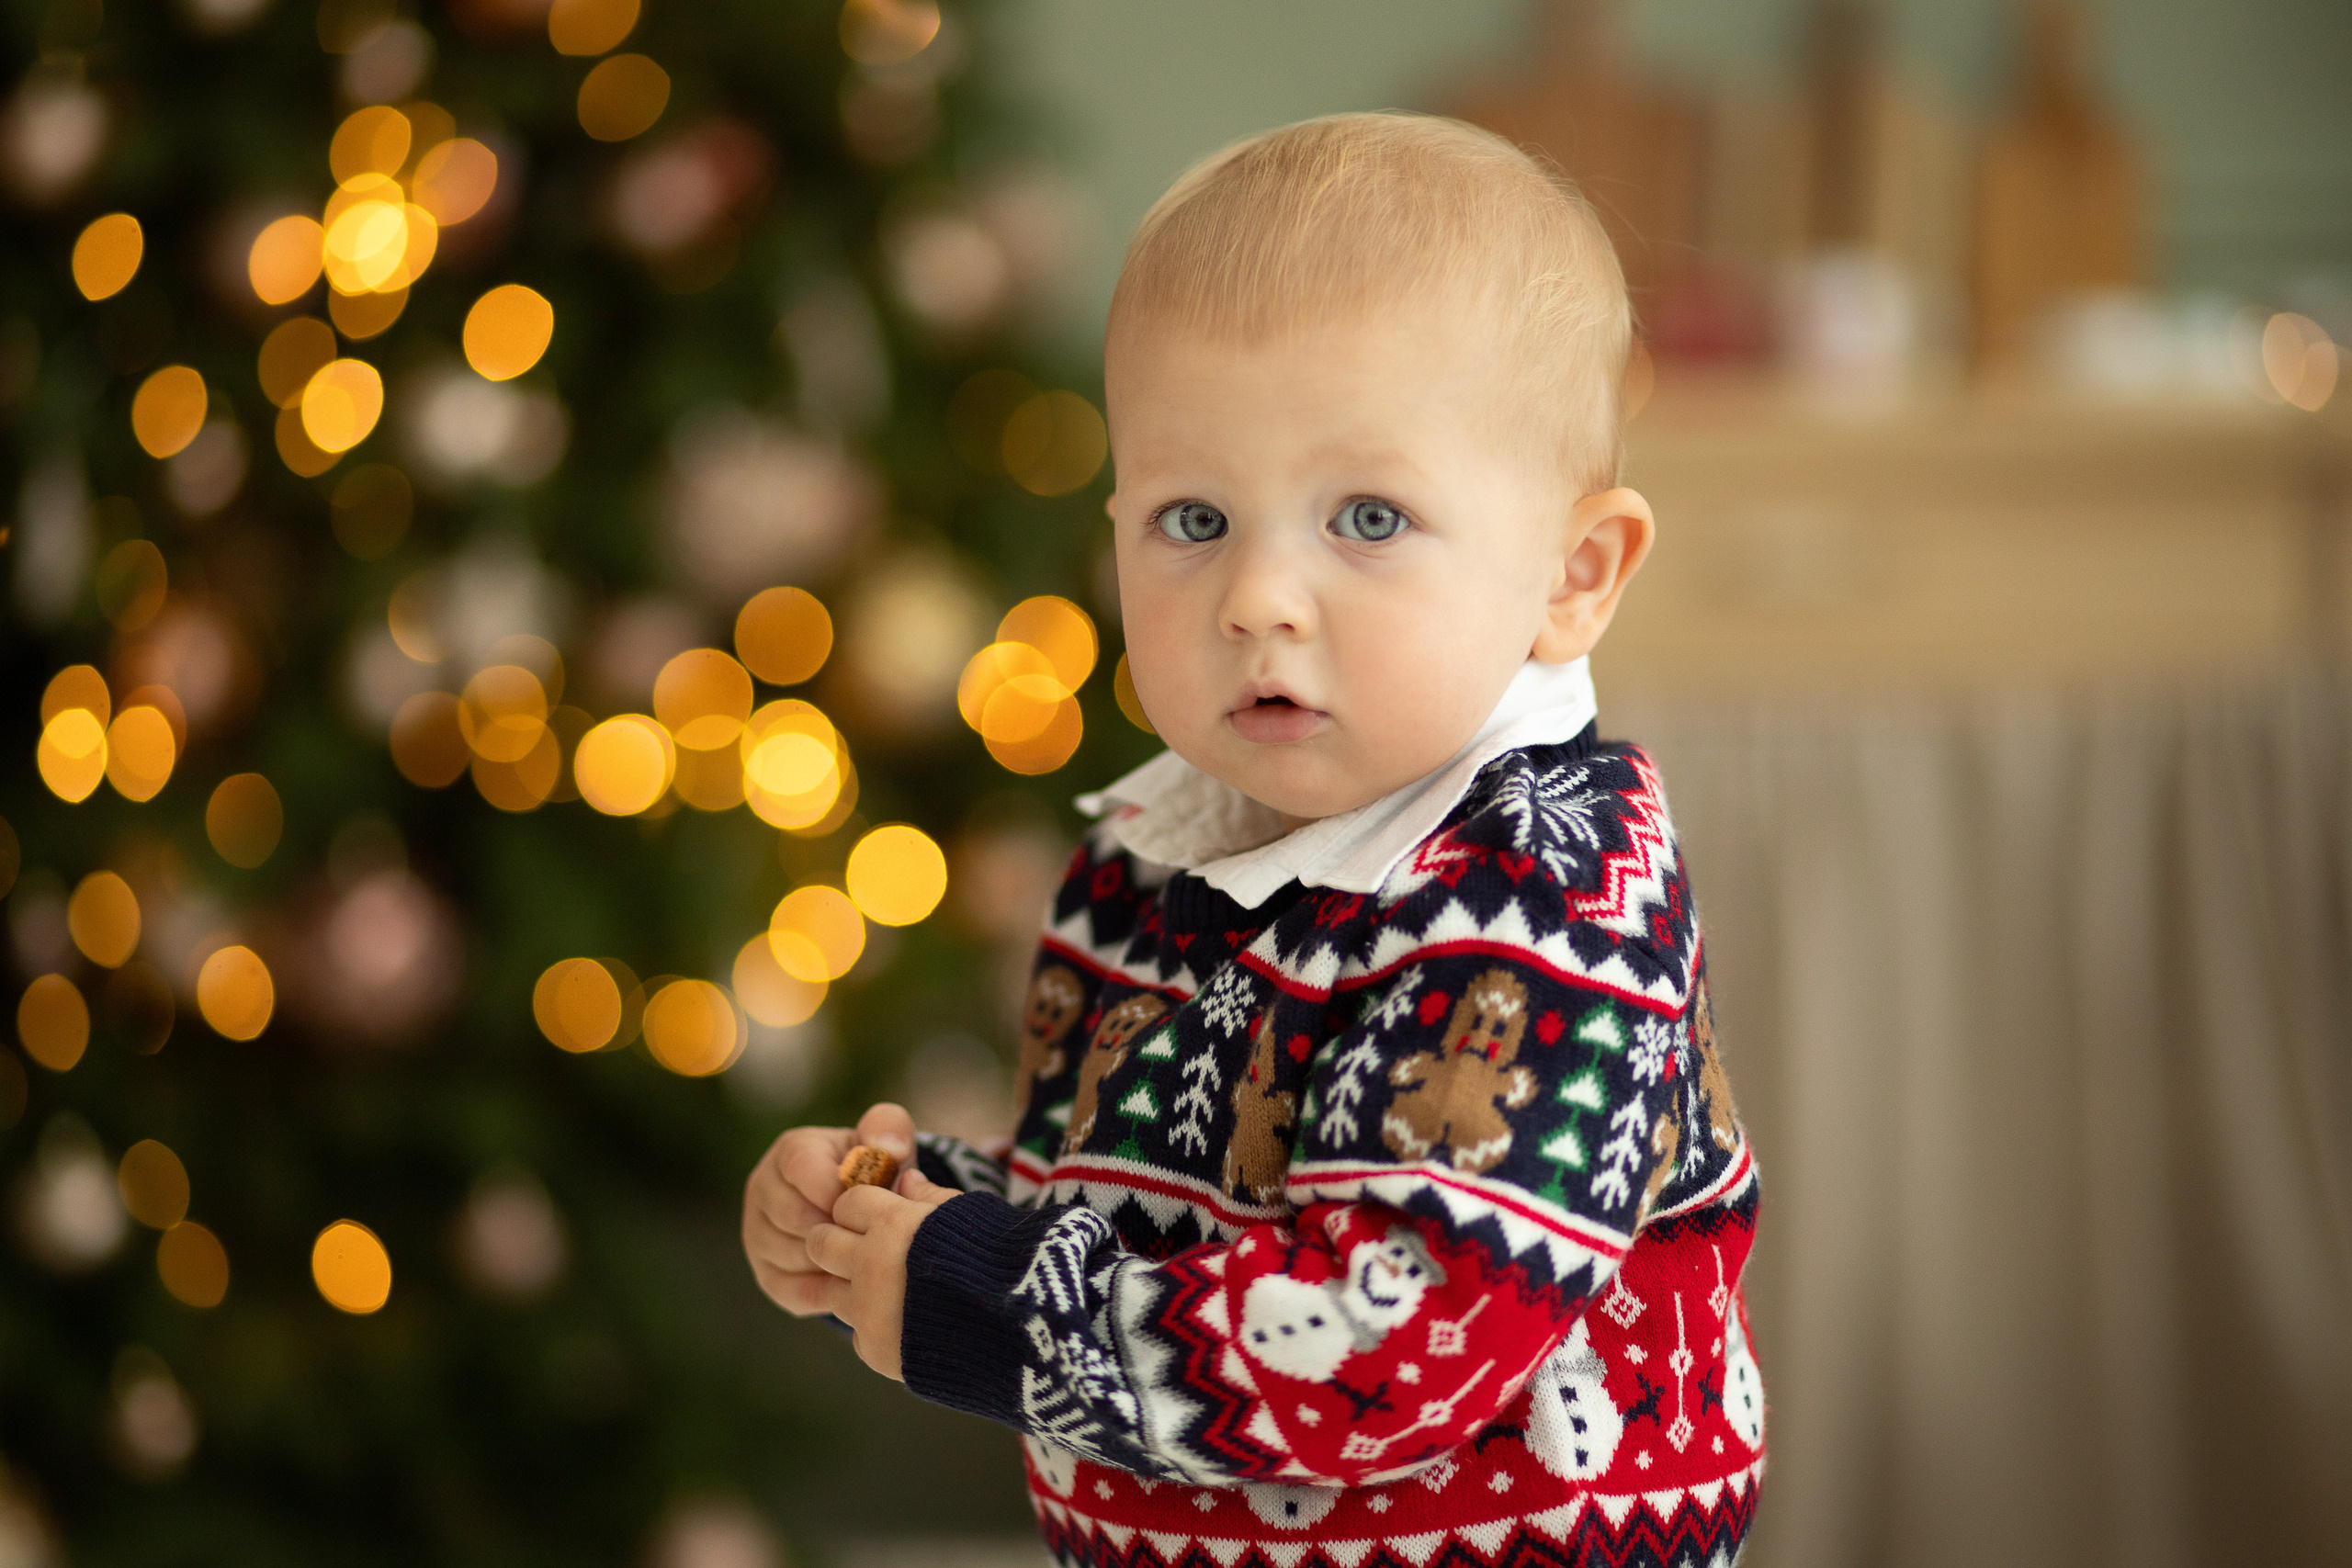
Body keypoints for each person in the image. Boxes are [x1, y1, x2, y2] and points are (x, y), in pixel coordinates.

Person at [742, 112, 1763, 1568]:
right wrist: (905, 1216)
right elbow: (1159, 1213)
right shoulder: (1146, 862)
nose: (1258, 597)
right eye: (1193, 516)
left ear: (1572, 575)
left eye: (1366, 516)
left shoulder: (1548, 895)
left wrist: (968, 1292)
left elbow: (1377, 1341)